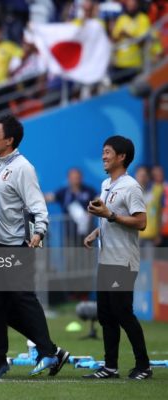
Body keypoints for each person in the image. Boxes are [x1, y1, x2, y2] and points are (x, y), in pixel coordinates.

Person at [0, 72, 69, 378]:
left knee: (22, 300)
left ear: (9, 139)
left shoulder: (23, 168)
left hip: (16, 245)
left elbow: (38, 205)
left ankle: (47, 352)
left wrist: (39, 231)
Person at [84, 136, 152, 380]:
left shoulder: (131, 186)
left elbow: (141, 222)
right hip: (106, 260)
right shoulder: (106, 184)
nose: (103, 156)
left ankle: (143, 365)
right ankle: (110, 367)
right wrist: (95, 232)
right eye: (103, 151)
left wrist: (110, 215)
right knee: (105, 315)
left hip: (123, 261)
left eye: (107, 152)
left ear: (122, 157)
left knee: (123, 312)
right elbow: (109, 216)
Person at [45, 168, 97, 247]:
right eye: (73, 178)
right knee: (70, 256)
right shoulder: (63, 192)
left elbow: (98, 201)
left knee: (88, 256)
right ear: (68, 178)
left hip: (88, 232)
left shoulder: (89, 191)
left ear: (81, 178)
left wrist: (91, 212)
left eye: (77, 177)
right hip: (70, 234)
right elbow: (49, 197)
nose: (75, 180)